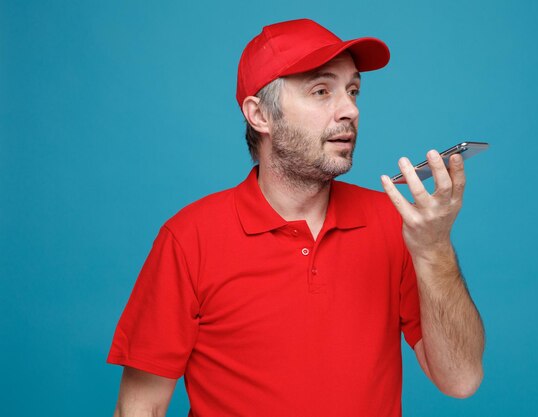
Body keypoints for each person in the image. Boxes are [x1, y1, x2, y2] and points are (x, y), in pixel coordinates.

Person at [108, 18, 485, 417]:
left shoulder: (396, 224)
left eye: (353, 91)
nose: (350, 110)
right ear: (260, 115)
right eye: (322, 91)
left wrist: (434, 249)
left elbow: (460, 380)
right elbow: (140, 407)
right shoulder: (189, 239)